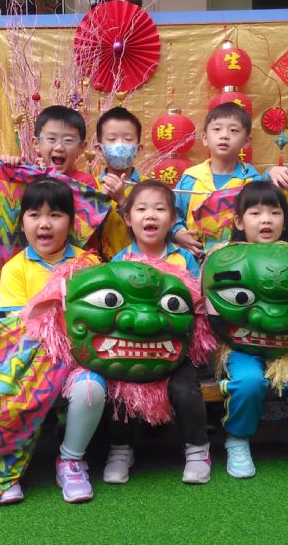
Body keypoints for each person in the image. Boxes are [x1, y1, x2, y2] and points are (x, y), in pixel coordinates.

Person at [0, 177, 105, 502]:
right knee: (6, 390)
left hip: (79, 360)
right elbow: (17, 325)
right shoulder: (15, 268)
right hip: (33, 361)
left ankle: (71, 461)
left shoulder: (89, 263)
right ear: (22, 222)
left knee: (91, 388)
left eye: (55, 215)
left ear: (71, 223)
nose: (44, 224)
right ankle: (9, 467)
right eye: (34, 215)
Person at [219, 181, 288, 477]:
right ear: (239, 222)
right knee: (248, 382)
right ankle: (238, 438)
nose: (266, 220)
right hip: (242, 343)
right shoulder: (223, 257)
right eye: (255, 213)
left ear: (285, 218)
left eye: (274, 212)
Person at [106, 179, 209, 484]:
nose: (150, 215)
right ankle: (120, 449)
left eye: (160, 209)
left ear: (173, 218)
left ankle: (197, 449)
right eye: (141, 209)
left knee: (186, 390)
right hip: (129, 349)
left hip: (173, 349)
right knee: (118, 388)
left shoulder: (183, 258)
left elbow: (195, 305)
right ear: (128, 218)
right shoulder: (121, 261)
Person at [171, 102, 260, 254]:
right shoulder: (190, 178)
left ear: (246, 141)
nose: (224, 135)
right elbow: (171, 212)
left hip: (240, 258)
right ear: (205, 138)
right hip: (194, 257)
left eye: (233, 130)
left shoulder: (252, 182)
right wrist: (177, 232)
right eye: (217, 129)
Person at [96, 106, 144, 259]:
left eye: (128, 139)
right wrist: (99, 202)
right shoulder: (90, 186)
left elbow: (152, 229)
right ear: (99, 149)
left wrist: (123, 201)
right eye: (112, 139)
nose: (120, 144)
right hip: (96, 266)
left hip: (138, 264)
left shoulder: (148, 188)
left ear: (138, 148)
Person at [32, 105, 97, 188]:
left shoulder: (85, 184)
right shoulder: (30, 178)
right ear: (36, 144)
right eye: (51, 138)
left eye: (68, 140)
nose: (59, 147)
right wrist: (14, 166)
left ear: (81, 147)